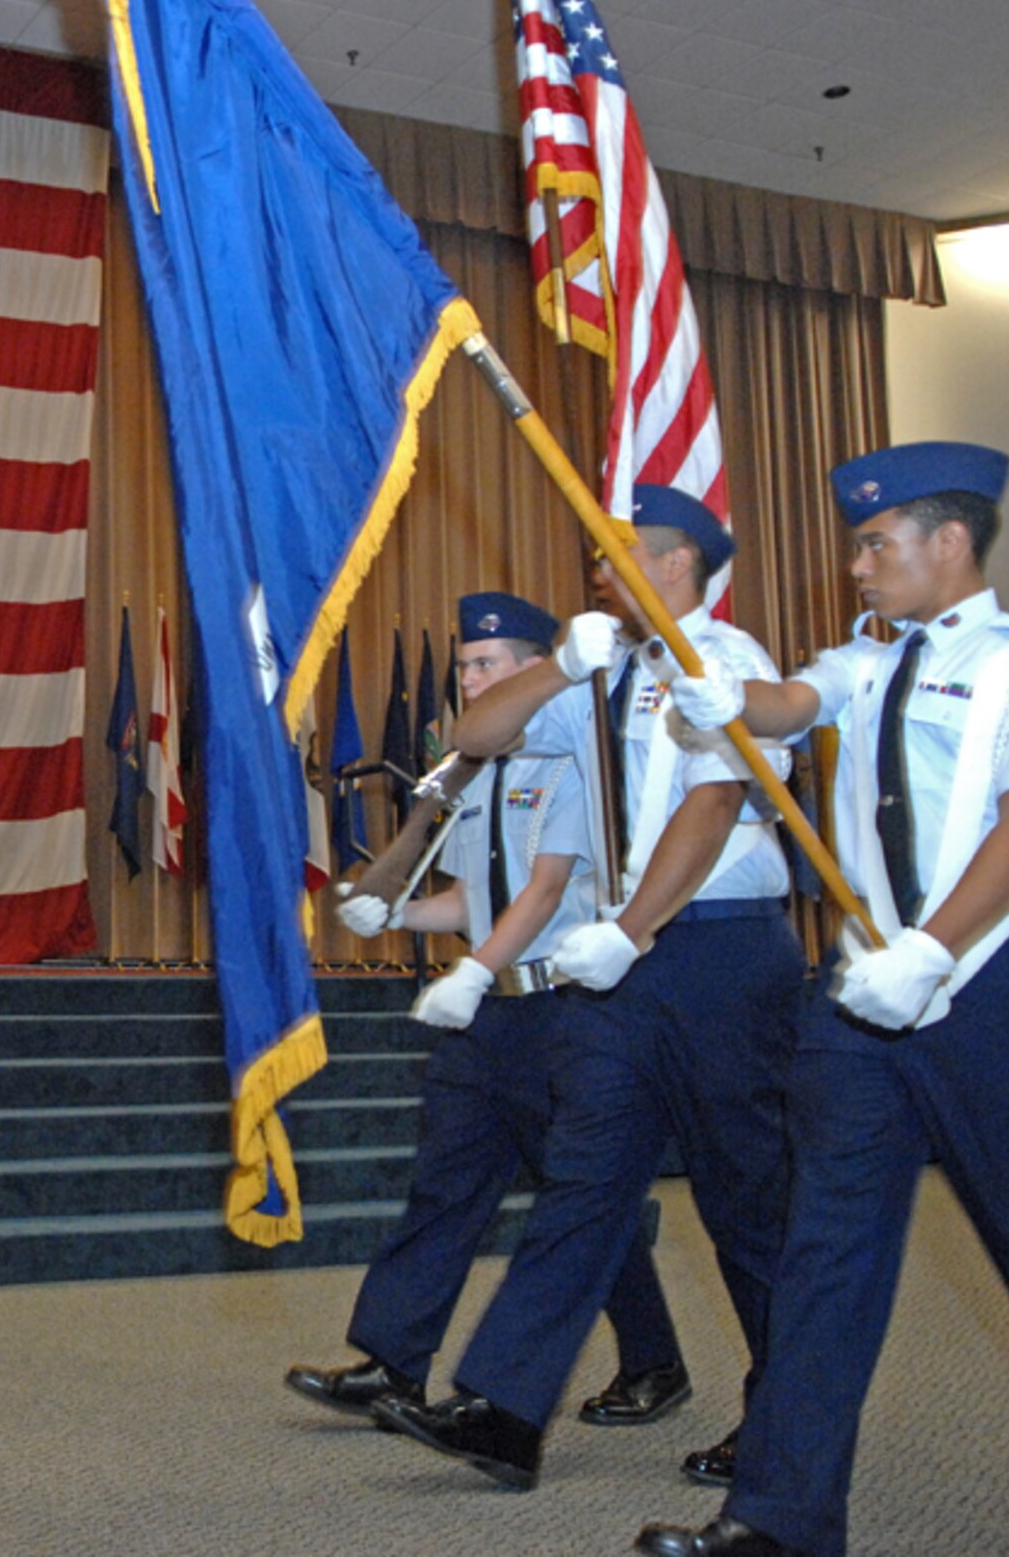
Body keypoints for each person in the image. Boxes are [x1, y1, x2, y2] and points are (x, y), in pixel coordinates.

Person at [637, 443, 1009, 1557]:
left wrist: (930, 952)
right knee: (823, 1249)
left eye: (874, 543)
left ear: (947, 542)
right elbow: (790, 701)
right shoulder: (859, 662)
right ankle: (777, 1517)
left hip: (987, 990)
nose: (855, 565)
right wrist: (727, 698)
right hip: (861, 1000)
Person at [373, 487, 804, 1494]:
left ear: (673, 565)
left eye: (614, 556)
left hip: (713, 955)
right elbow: (478, 736)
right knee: (582, 1177)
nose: (596, 574)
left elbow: (712, 803)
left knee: (743, 1195)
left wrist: (630, 926)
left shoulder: (725, 664)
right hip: (623, 967)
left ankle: (786, 1415)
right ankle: (508, 1409)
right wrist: (560, 666)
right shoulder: (607, 676)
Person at [286, 593, 690, 1438]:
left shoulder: (574, 758)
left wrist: (474, 968)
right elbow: (474, 896)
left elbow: (545, 890)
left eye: (486, 666)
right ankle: (393, 1362)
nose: (469, 679)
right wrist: (394, 914)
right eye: (465, 665)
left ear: (533, 668)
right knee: (444, 1184)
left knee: (577, 1196)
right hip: (488, 1015)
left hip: (560, 1009)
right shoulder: (471, 773)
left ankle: (653, 1360)